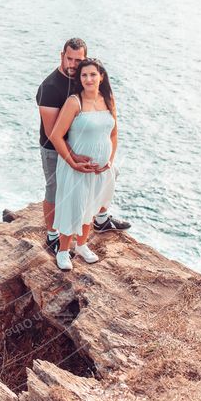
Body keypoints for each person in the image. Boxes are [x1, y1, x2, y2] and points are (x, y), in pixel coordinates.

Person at [36, 38, 129, 255]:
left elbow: (107, 125)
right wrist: (73, 158)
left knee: (103, 180)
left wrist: (101, 153)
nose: (73, 64)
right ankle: (52, 236)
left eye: (79, 60)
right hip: (53, 147)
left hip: (84, 142)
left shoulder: (83, 81)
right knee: (55, 190)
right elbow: (53, 133)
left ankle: (101, 219)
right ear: (62, 56)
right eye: (69, 59)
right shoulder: (49, 88)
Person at [49, 58, 118, 270]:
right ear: (80, 79)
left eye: (92, 74)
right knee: (73, 206)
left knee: (92, 205)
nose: (88, 79)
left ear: (101, 77)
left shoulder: (108, 99)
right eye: (84, 75)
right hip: (75, 169)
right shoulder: (74, 102)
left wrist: (109, 161)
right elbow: (56, 136)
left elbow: (113, 134)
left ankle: (82, 245)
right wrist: (73, 163)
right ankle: (63, 251)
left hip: (100, 169)